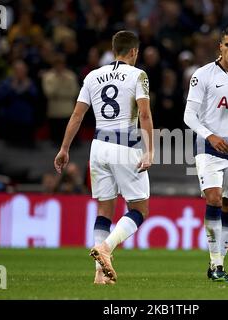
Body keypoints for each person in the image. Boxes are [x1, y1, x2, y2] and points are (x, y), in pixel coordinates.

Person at [54, 31, 153, 285]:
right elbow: (144, 114)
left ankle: (100, 273)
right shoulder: (138, 75)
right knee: (139, 209)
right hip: (125, 146)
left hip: (98, 147)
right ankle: (106, 248)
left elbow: (76, 116)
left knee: (104, 209)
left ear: (113, 49)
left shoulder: (92, 76)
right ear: (134, 52)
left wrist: (64, 148)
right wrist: (150, 149)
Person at [184, 26, 228, 282]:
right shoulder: (202, 75)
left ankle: (219, 263)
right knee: (213, 199)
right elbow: (188, 116)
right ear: (219, 48)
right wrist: (209, 135)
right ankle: (215, 265)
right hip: (208, 147)